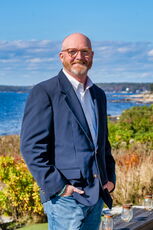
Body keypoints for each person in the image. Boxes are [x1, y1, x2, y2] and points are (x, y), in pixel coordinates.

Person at [20, 33, 116, 230]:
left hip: (96, 195)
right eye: (72, 51)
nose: (79, 56)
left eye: (84, 51)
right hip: (65, 200)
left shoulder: (98, 94)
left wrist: (110, 178)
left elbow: (102, 143)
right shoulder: (45, 91)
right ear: (61, 56)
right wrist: (60, 188)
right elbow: (31, 148)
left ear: (92, 56)